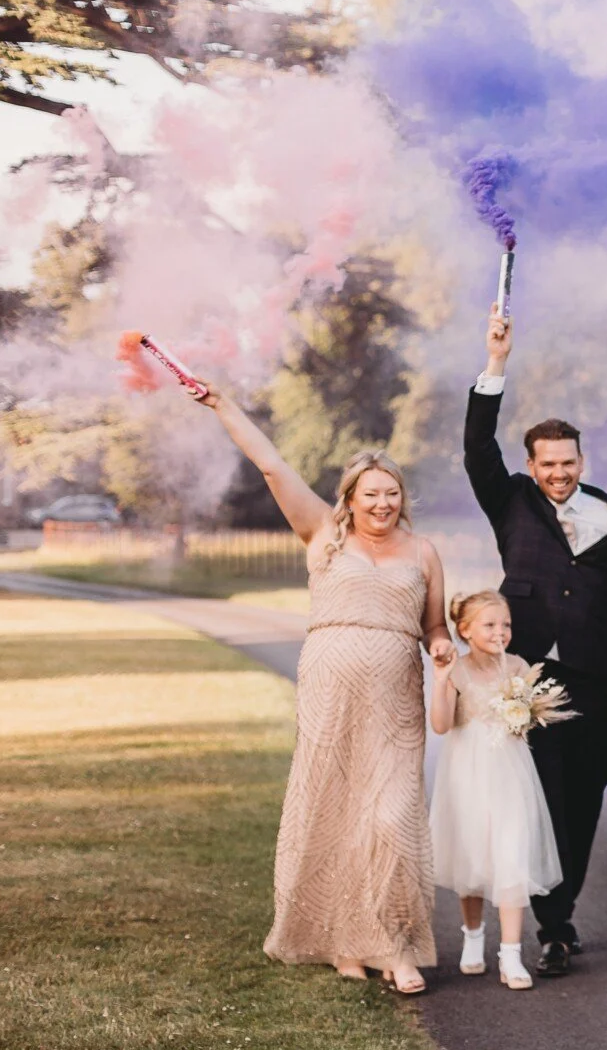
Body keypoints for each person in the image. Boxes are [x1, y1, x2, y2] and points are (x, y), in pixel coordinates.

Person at [189, 386, 452, 995]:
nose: (382, 504)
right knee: (334, 812)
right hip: (330, 693)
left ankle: (396, 946)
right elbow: (272, 466)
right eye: (371, 495)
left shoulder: (424, 551)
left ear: (401, 499)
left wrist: (440, 645)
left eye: (392, 494)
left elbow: (433, 624)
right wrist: (225, 405)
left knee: (391, 819)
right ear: (350, 499)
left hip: (395, 702)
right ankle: (343, 942)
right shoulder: (323, 536)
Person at [466, 309, 607, 978]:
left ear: (581, 461)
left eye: (569, 462)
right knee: (539, 799)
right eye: (549, 464)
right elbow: (477, 447)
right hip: (528, 681)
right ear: (533, 465)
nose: (560, 473)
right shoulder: (510, 501)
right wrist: (495, 364)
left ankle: (562, 908)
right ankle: (552, 925)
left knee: (585, 800)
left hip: (597, 682)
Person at [429, 590, 567, 990]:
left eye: (505, 624)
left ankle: (511, 954)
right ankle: (473, 937)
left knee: (511, 854)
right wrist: (440, 680)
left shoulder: (519, 667)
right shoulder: (458, 670)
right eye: (489, 625)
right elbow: (440, 724)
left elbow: (527, 720)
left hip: (510, 776)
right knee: (470, 855)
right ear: (465, 630)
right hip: (467, 773)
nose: (500, 632)